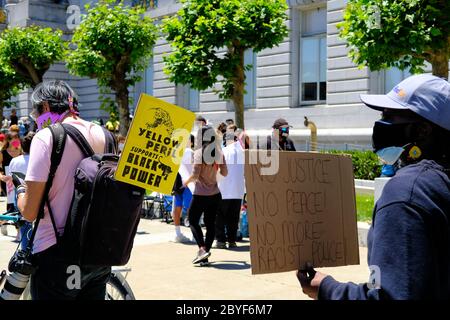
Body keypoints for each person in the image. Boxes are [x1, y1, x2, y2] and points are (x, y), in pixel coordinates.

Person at [298, 74, 450, 300]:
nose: (380, 125)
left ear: (422, 131)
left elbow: (390, 295)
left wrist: (327, 288)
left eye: (388, 117)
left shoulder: (407, 192)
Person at [16, 80, 110, 300]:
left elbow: (30, 212)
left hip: (56, 254)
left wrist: (21, 193)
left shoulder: (47, 137)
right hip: (99, 253)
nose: (35, 117)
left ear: (46, 107)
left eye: (36, 111)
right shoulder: (106, 135)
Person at [183, 125, 227, 264]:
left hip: (200, 194)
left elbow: (195, 175)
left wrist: (186, 182)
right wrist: (214, 178)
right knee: (210, 224)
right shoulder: (219, 152)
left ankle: (202, 249)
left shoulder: (199, 152)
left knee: (192, 220)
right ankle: (205, 254)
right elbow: (225, 173)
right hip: (215, 194)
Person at [215, 130, 245, 249]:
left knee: (220, 216)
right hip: (238, 191)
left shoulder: (223, 152)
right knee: (233, 218)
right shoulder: (242, 153)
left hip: (224, 190)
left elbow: (219, 170)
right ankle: (232, 240)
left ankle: (221, 240)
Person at [9, 131, 35, 249]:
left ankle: (25, 253)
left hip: (19, 195)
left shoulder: (15, 161)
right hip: (36, 194)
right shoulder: (38, 160)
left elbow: (12, 178)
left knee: (24, 227)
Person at [171, 134, 195, 243]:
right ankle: (194, 234)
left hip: (178, 183)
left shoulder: (177, 152)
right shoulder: (190, 152)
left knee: (177, 208)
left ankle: (178, 233)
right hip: (188, 184)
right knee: (192, 209)